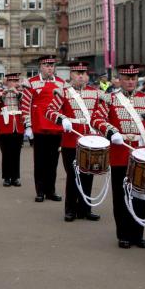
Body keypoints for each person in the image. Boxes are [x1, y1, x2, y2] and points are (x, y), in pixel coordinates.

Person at [92, 63, 145, 248]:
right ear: (119, 80)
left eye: (133, 78)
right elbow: (96, 119)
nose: (130, 82)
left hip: (142, 152)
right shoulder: (110, 99)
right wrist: (112, 132)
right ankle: (123, 234)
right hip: (120, 153)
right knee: (121, 196)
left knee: (141, 195)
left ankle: (138, 234)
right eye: (127, 78)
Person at [45, 61, 102, 222]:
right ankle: (70, 209)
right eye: (78, 73)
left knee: (89, 174)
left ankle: (86, 209)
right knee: (73, 175)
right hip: (71, 140)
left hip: (91, 139)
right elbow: (49, 111)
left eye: (84, 73)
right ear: (71, 75)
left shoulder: (96, 93)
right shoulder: (63, 92)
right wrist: (62, 119)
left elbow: (99, 115)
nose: (81, 76)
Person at [21, 55, 66, 202]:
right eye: (47, 66)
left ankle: (51, 191)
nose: (49, 68)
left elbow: (65, 105)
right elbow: (26, 104)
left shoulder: (61, 83)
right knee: (40, 161)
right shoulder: (31, 82)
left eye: (52, 66)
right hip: (39, 127)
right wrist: (28, 125)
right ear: (40, 66)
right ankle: (40, 191)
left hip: (56, 127)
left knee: (53, 162)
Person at [0, 73, 25, 187]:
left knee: (16, 153)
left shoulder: (21, 92)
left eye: (16, 81)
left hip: (18, 126)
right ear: (7, 82)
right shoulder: (0, 92)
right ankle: (6, 177)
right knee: (6, 153)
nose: (14, 83)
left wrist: (17, 93)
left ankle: (15, 177)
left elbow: (26, 103)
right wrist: (3, 95)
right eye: (11, 81)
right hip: (5, 126)